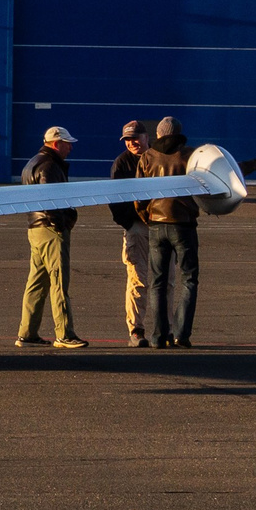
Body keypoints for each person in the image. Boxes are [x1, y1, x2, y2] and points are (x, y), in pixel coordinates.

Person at [133, 116, 256, 347]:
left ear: (158, 134)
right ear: (178, 134)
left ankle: (159, 336)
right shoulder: (191, 155)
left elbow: (139, 193)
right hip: (184, 224)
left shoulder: (147, 157)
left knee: (158, 282)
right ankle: (181, 335)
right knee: (189, 280)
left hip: (157, 224)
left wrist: (146, 216)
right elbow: (229, 172)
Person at [16, 125, 87, 347]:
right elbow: (51, 200)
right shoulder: (49, 166)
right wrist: (62, 223)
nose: (70, 149)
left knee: (36, 282)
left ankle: (27, 333)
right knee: (58, 282)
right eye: (67, 144)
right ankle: (64, 334)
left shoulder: (33, 162)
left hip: (35, 228)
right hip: (50, 230)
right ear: (57, 144)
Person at [107, 120, 151, 347]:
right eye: (127, 139)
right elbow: (115, 198)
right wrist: (130, 223)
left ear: (146, 137)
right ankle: (136, 329)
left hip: (162, 225)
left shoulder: (157, 157)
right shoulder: (122, 163)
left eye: (136, 137)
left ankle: (167, 329)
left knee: (168, 280)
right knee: (137, 278)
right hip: (137, 227)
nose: (132, 142)